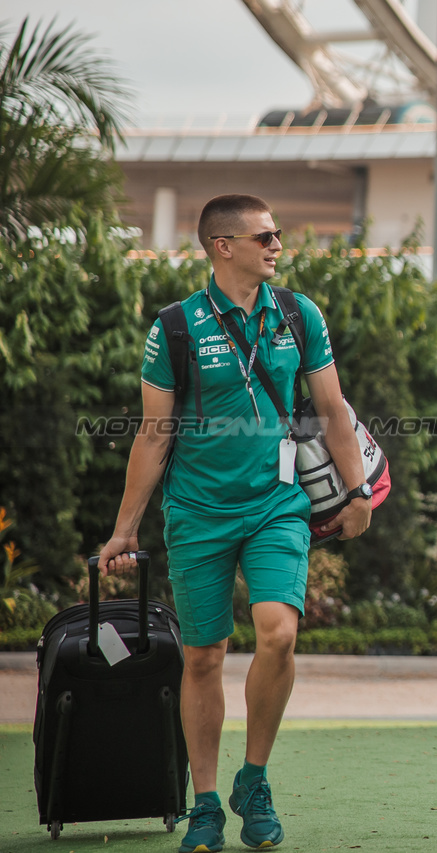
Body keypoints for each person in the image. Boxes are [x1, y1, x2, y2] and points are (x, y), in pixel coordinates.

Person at [97, 194, 371, 853]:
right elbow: (154, 433)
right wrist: (124, 527)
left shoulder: (298, 314)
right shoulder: (176, 327)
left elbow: (332, 409)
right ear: (223, 246)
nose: (278, 245)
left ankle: (255, 777)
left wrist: (357, 493)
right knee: (203, 657)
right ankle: (206, 803)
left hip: (278, 504)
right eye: (265, 236)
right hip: (197, 511)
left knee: (278, 634)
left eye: (277, 234)